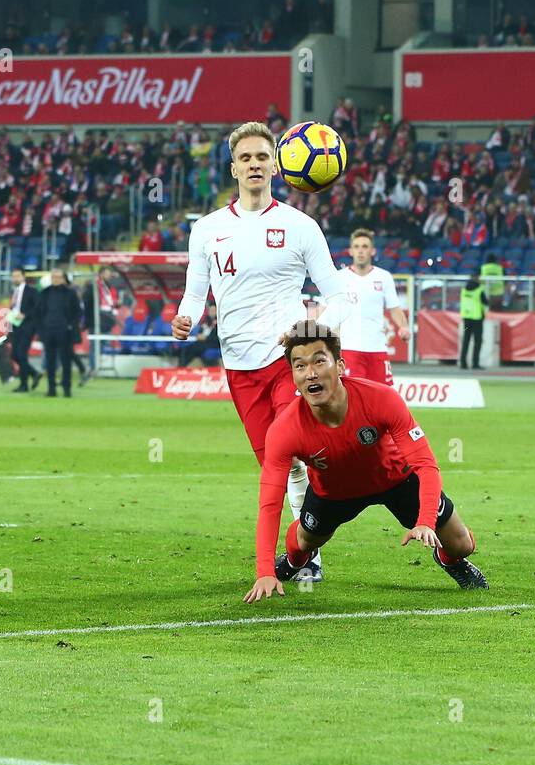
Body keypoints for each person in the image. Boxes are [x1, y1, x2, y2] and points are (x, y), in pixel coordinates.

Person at [171, 120, 355, 585]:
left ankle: (306, 556)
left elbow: (340, 296)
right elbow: (196, 293)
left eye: (262, 157)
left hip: (286, 364)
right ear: (233, 168)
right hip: (238, 366)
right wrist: (185, 317)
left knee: (293, 454)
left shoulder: (299, 226)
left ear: (276, 164)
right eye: (246, 158)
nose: (254, 164)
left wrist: (315, 332)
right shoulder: (207, 230)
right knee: (278, 463)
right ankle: (306, 543)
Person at [244, 321, 487, 603]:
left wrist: (425, 521)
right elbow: (270, 503)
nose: (310, 373)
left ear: (340, 366)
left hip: (396, 480)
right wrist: (264, 571)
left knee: (462, 545)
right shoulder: (285, 430)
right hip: (333, 493)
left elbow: (425, 464)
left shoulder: (381, 399)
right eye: (299, 366)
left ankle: (450, 560)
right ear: (293, 376)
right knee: (304, 543)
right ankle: (293, 563)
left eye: (319, 361)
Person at [324, 228, 409, 386]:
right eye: (356, 247)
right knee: (354, 398)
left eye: (364, 246)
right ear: (350, 251)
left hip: (377, 349)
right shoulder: (340, 278)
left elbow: (394, 308)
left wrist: (404, 326)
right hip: (349, 350)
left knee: (385, 397)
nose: (360, 251)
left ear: (372, 251)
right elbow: (326, 310)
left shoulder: (384, 277)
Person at [34, 267, 82, 398]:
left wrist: (71, 326)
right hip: (48, 331)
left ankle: (67, 389)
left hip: (65, 332)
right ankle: (51, 389)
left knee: (66, 362)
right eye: (53, 277)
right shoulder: (44, 293)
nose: (56, 280)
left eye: (58, 277)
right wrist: (41, 330)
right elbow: (38, 313)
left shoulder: (70, 293)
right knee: (49, 362)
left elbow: (77, 312)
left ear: (63, 279)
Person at [7, 268, 41, 392]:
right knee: (14, 354)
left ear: (23, 277)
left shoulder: (31, 291)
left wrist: (25, 314)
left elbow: (37, 307)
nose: (15, 278)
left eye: (17, 276)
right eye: (13, 276)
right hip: (16, 325)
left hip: (28, 326)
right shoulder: (14, 292)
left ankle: (24, 384)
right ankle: (34, 373)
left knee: (21, 354)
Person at [459, 274, 485, 370]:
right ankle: (475, 363)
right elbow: (485, 302)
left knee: (466, 340)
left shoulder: (464, 290)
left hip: (466, 319)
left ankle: (463, 362)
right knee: (477, 342)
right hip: (477, 319)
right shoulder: (479, 290)